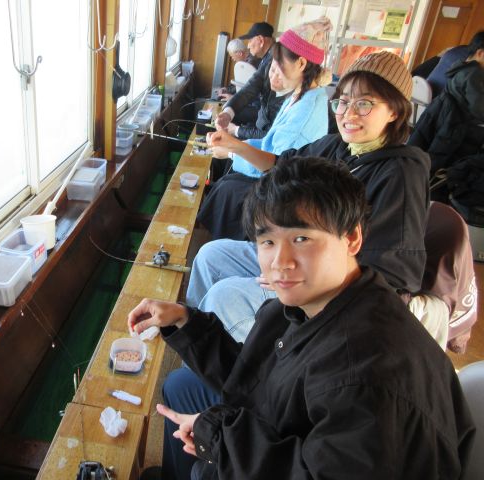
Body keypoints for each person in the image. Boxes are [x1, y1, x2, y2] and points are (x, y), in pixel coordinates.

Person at [128, 158, 474, 480]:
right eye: (267, 241)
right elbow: (258, 377)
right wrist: (186, 323)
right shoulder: (318, 302)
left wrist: (216, 435)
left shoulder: (365, 375)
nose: (281, 262)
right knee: (180, 385)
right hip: (293, 433)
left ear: (352, 238)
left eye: (301, 238)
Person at [190, 51, 429, 344]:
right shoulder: (336, 147)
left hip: (330, 293)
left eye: (364, 103)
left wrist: (299, 281)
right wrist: (235, 146)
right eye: (343, 102)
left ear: (395, 112)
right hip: (295, 256)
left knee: (225, 296)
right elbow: (280, 164)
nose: (349, 114)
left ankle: (248, 364)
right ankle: (197, 345)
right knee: (210, 256)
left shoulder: (401, 174)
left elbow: (395, 277)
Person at [198, 17, 332, 240]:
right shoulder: (301, 96)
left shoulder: (305, 111)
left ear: (301, 64)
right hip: (276, 178)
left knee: (228, 191)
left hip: (284, 195)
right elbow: (269, 142)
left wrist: (232, 151)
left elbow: (274, 166)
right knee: (227, 183)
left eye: (278, 66)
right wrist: (235, 145)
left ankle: (222, 245)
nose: (272, 73)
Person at [408, 30, 484, 204]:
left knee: (433, 158)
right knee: (438, 161)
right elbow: (479, 108)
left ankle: (422, 191)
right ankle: (428, 196)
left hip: (445, 119)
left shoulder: (461, 67)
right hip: (452, 126)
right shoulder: (473, 74)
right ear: (480, 53)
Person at [216, 22, 276, 128]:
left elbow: (252, 89)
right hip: (262, 112)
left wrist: (235, 128)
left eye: (250, 40)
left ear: (261, 41)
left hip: (265, 116)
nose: (248, 45)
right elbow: (251, 86)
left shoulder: (273, 60)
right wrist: (229, 110)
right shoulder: (266, 58)